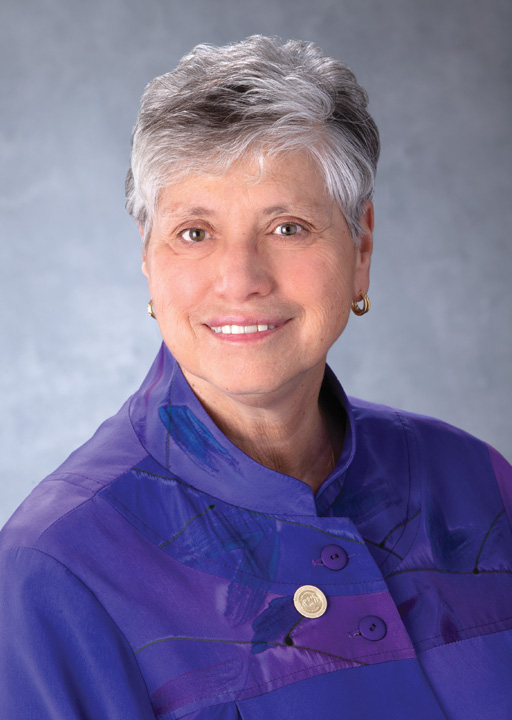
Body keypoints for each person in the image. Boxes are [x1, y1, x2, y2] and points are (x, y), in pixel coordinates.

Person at [1, 35, 511, 720]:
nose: (240, 279)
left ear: (360, 249)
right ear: (148, 263)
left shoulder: (479, 483)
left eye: (289, 227)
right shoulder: (53, 572)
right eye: (194, 232)